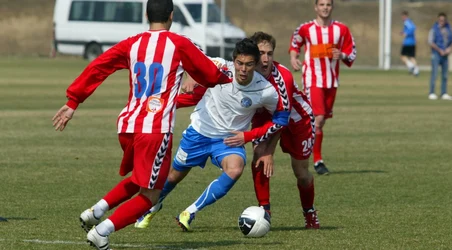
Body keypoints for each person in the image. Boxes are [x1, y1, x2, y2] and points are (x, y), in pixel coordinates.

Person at [51, 0, 233, 249]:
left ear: (146, 14)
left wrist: (74, 101)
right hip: (154, 130)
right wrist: (225, 76)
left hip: (127, 126)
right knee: (150, 195)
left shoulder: (132, 43)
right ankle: (102, 231)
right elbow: (210, 75)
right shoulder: (179, 44)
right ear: (171, 15)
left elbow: (99, 66)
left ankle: (95, 212)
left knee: (141, 179)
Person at [134, 38, 291, 230]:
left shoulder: (266, 91)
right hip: (199, 133)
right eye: (239, 63)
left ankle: (190, 212)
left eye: (249, 64)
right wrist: (193, 75)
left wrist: (248, 136)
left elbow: (281, 119)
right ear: (233, 61)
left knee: (235, 168)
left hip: (228, 141)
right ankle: (152, 207)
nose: (243, 69)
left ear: (256, 64)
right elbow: (189, 50)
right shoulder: (219, 66)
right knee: (173, 177)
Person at [248, 32, 319, 229]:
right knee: (258, 158)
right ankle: (265, 211)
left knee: (301, 172)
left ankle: (310, 212)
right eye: (261, 53)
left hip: (297, 120)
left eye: (269, 53)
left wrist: (270, 151)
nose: (265, 59)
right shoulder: (246, 70)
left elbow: (283, 117)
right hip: (266, 117)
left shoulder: (283, 77)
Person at [289, 0, 356, 175]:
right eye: (322, 4)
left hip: (331, 81)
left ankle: (305, 147)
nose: (325, 7)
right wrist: (294, 57)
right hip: (313, 79)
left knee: (321, 122)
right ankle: (317, 160)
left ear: (332, 7)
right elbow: (295, 42)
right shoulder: (306, 28)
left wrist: (341, 54)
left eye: (328, 4)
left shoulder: (341, 29)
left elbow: (352, 51)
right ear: (316, 7)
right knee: (318, 119)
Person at [428, 12, 452, 101]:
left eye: (443, 20)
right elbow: (431, 42)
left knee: (445, 75)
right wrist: (439, 50)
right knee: (434, 74)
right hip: (436, 54)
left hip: (445, 54)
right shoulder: (434, 29)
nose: (442, 21)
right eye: (440, 20)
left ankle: (444, 93)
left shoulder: (448, 29)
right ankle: (431, 92)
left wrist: (449, 49)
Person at [400, 11, 419, 76]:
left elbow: (412, 28)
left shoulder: (406, 22)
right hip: (412, 42)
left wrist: (406, 33)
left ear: (405, 16)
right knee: (412, 57)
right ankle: (416, 71)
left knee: (402, 56)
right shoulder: (409, 21)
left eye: (403, 16)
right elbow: (412, 28)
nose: (402, 18)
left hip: (408, 43)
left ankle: (411, 67)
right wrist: (403, 32)